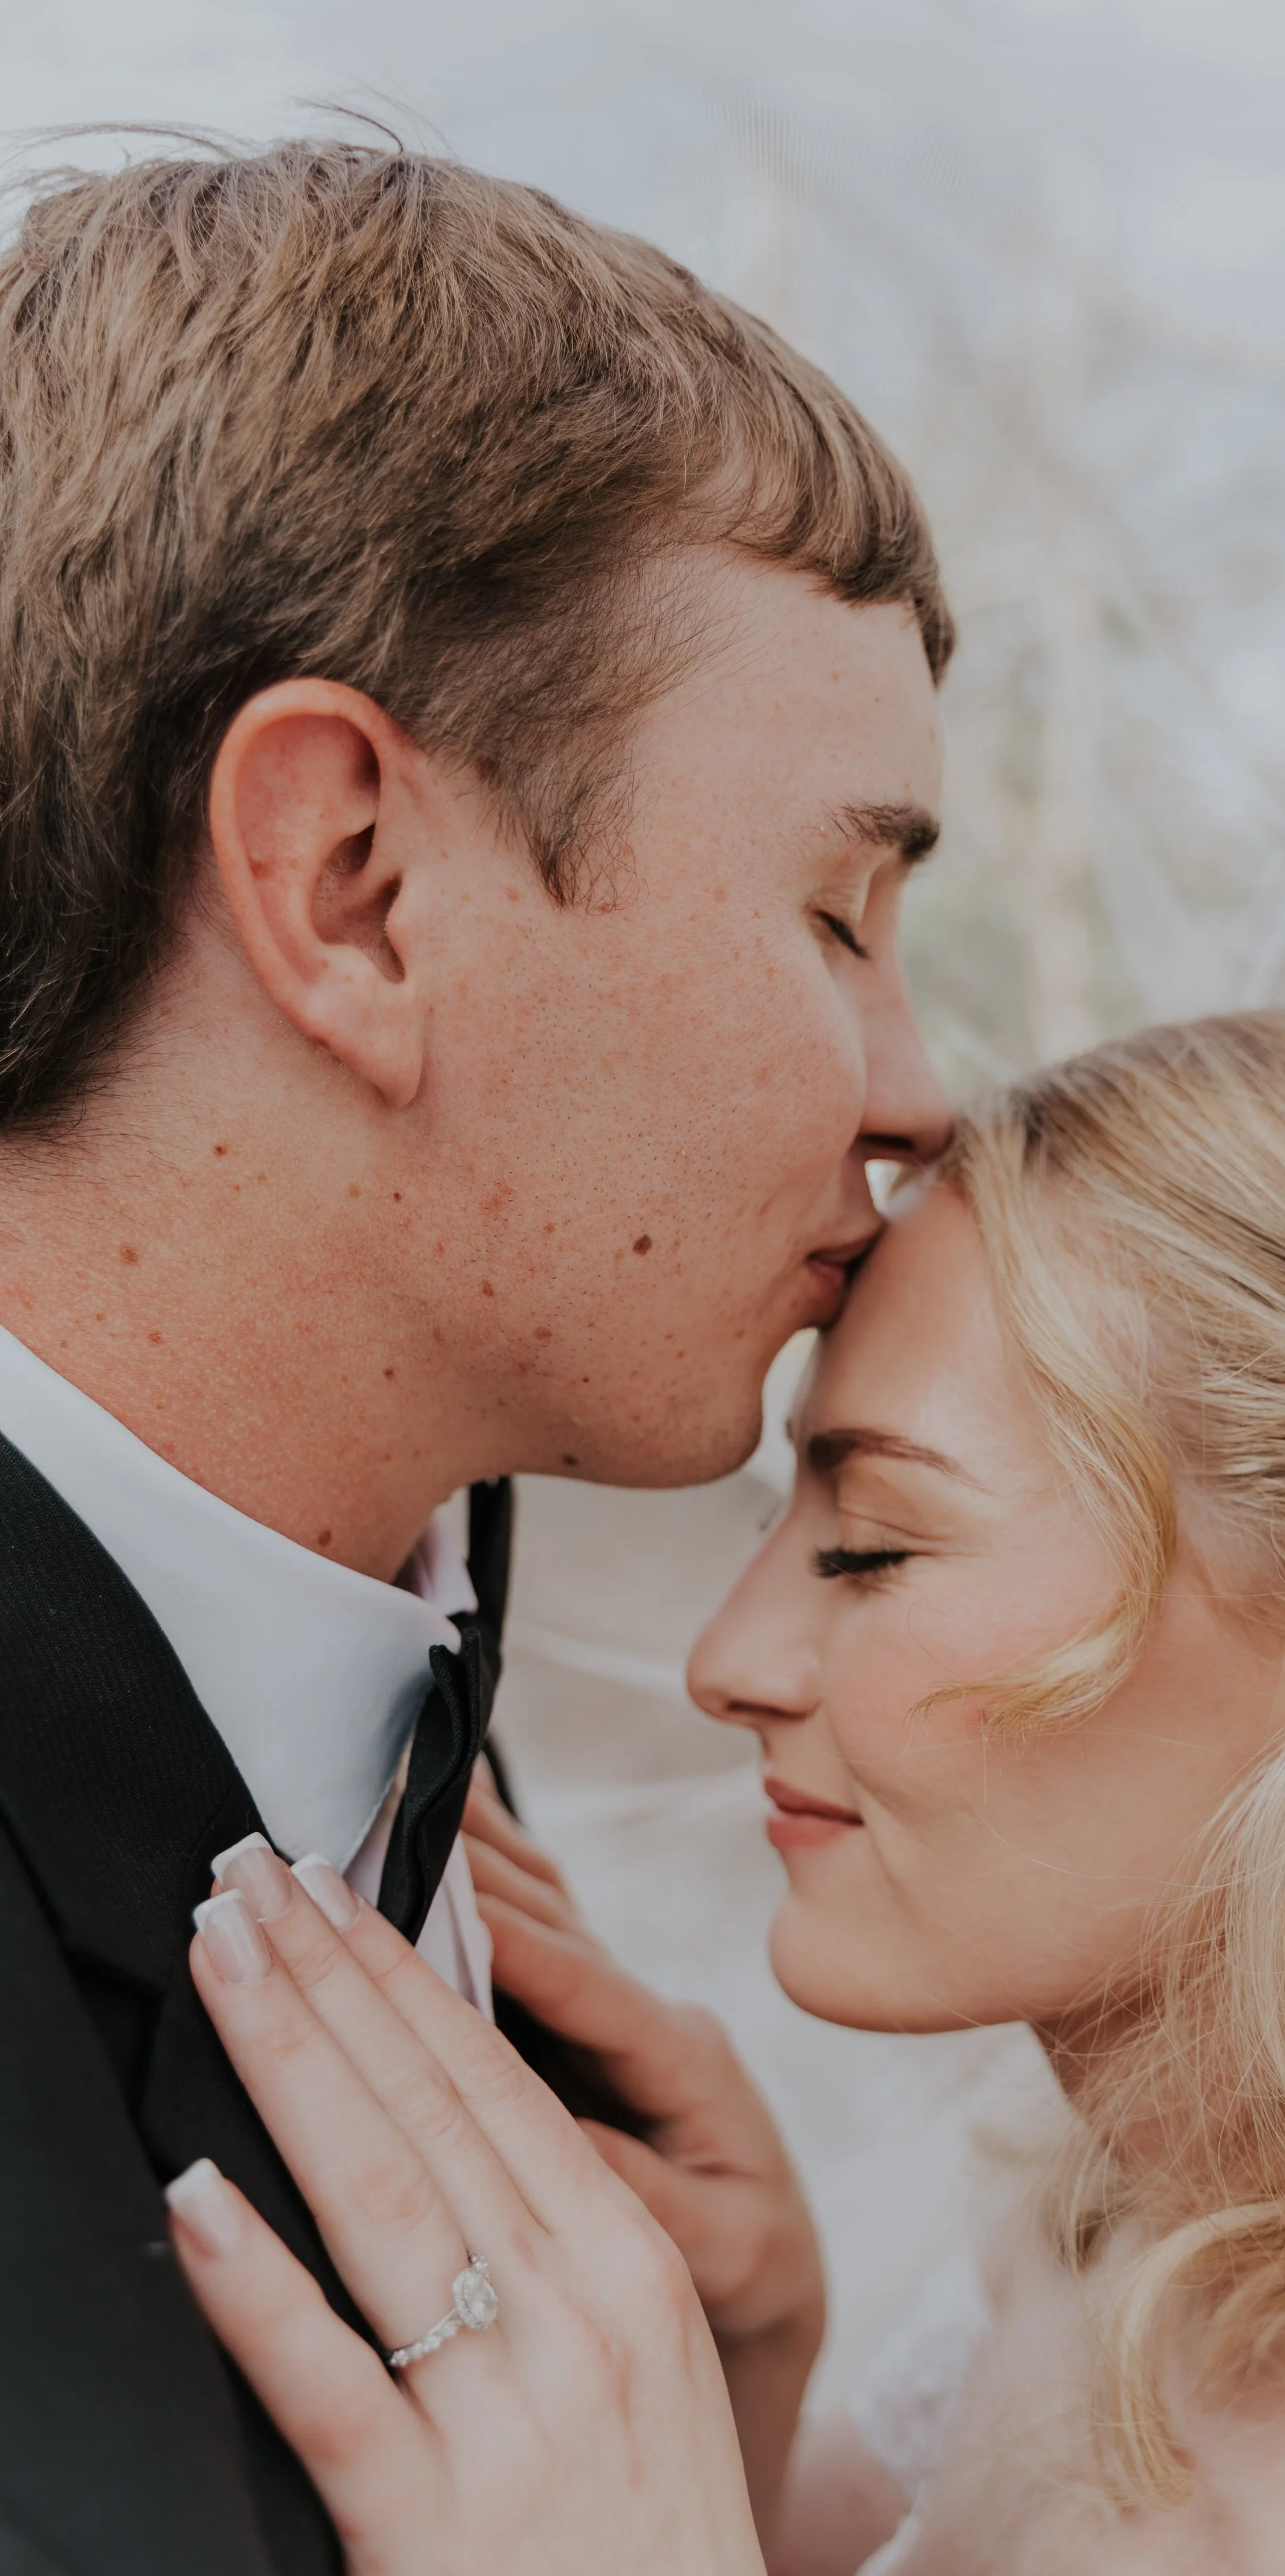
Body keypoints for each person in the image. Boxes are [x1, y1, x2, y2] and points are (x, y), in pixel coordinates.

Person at [185, 1011, 1285, 2572]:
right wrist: (757, 2351)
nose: (728, 1660)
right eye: (788, 1528)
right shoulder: (1098, 2258)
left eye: (873, 1549)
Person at [0, 136, 952, 2575]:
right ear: (354, 892)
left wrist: (737, 2446)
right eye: (838, 909)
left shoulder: (448, 1745)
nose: (919, 1092)